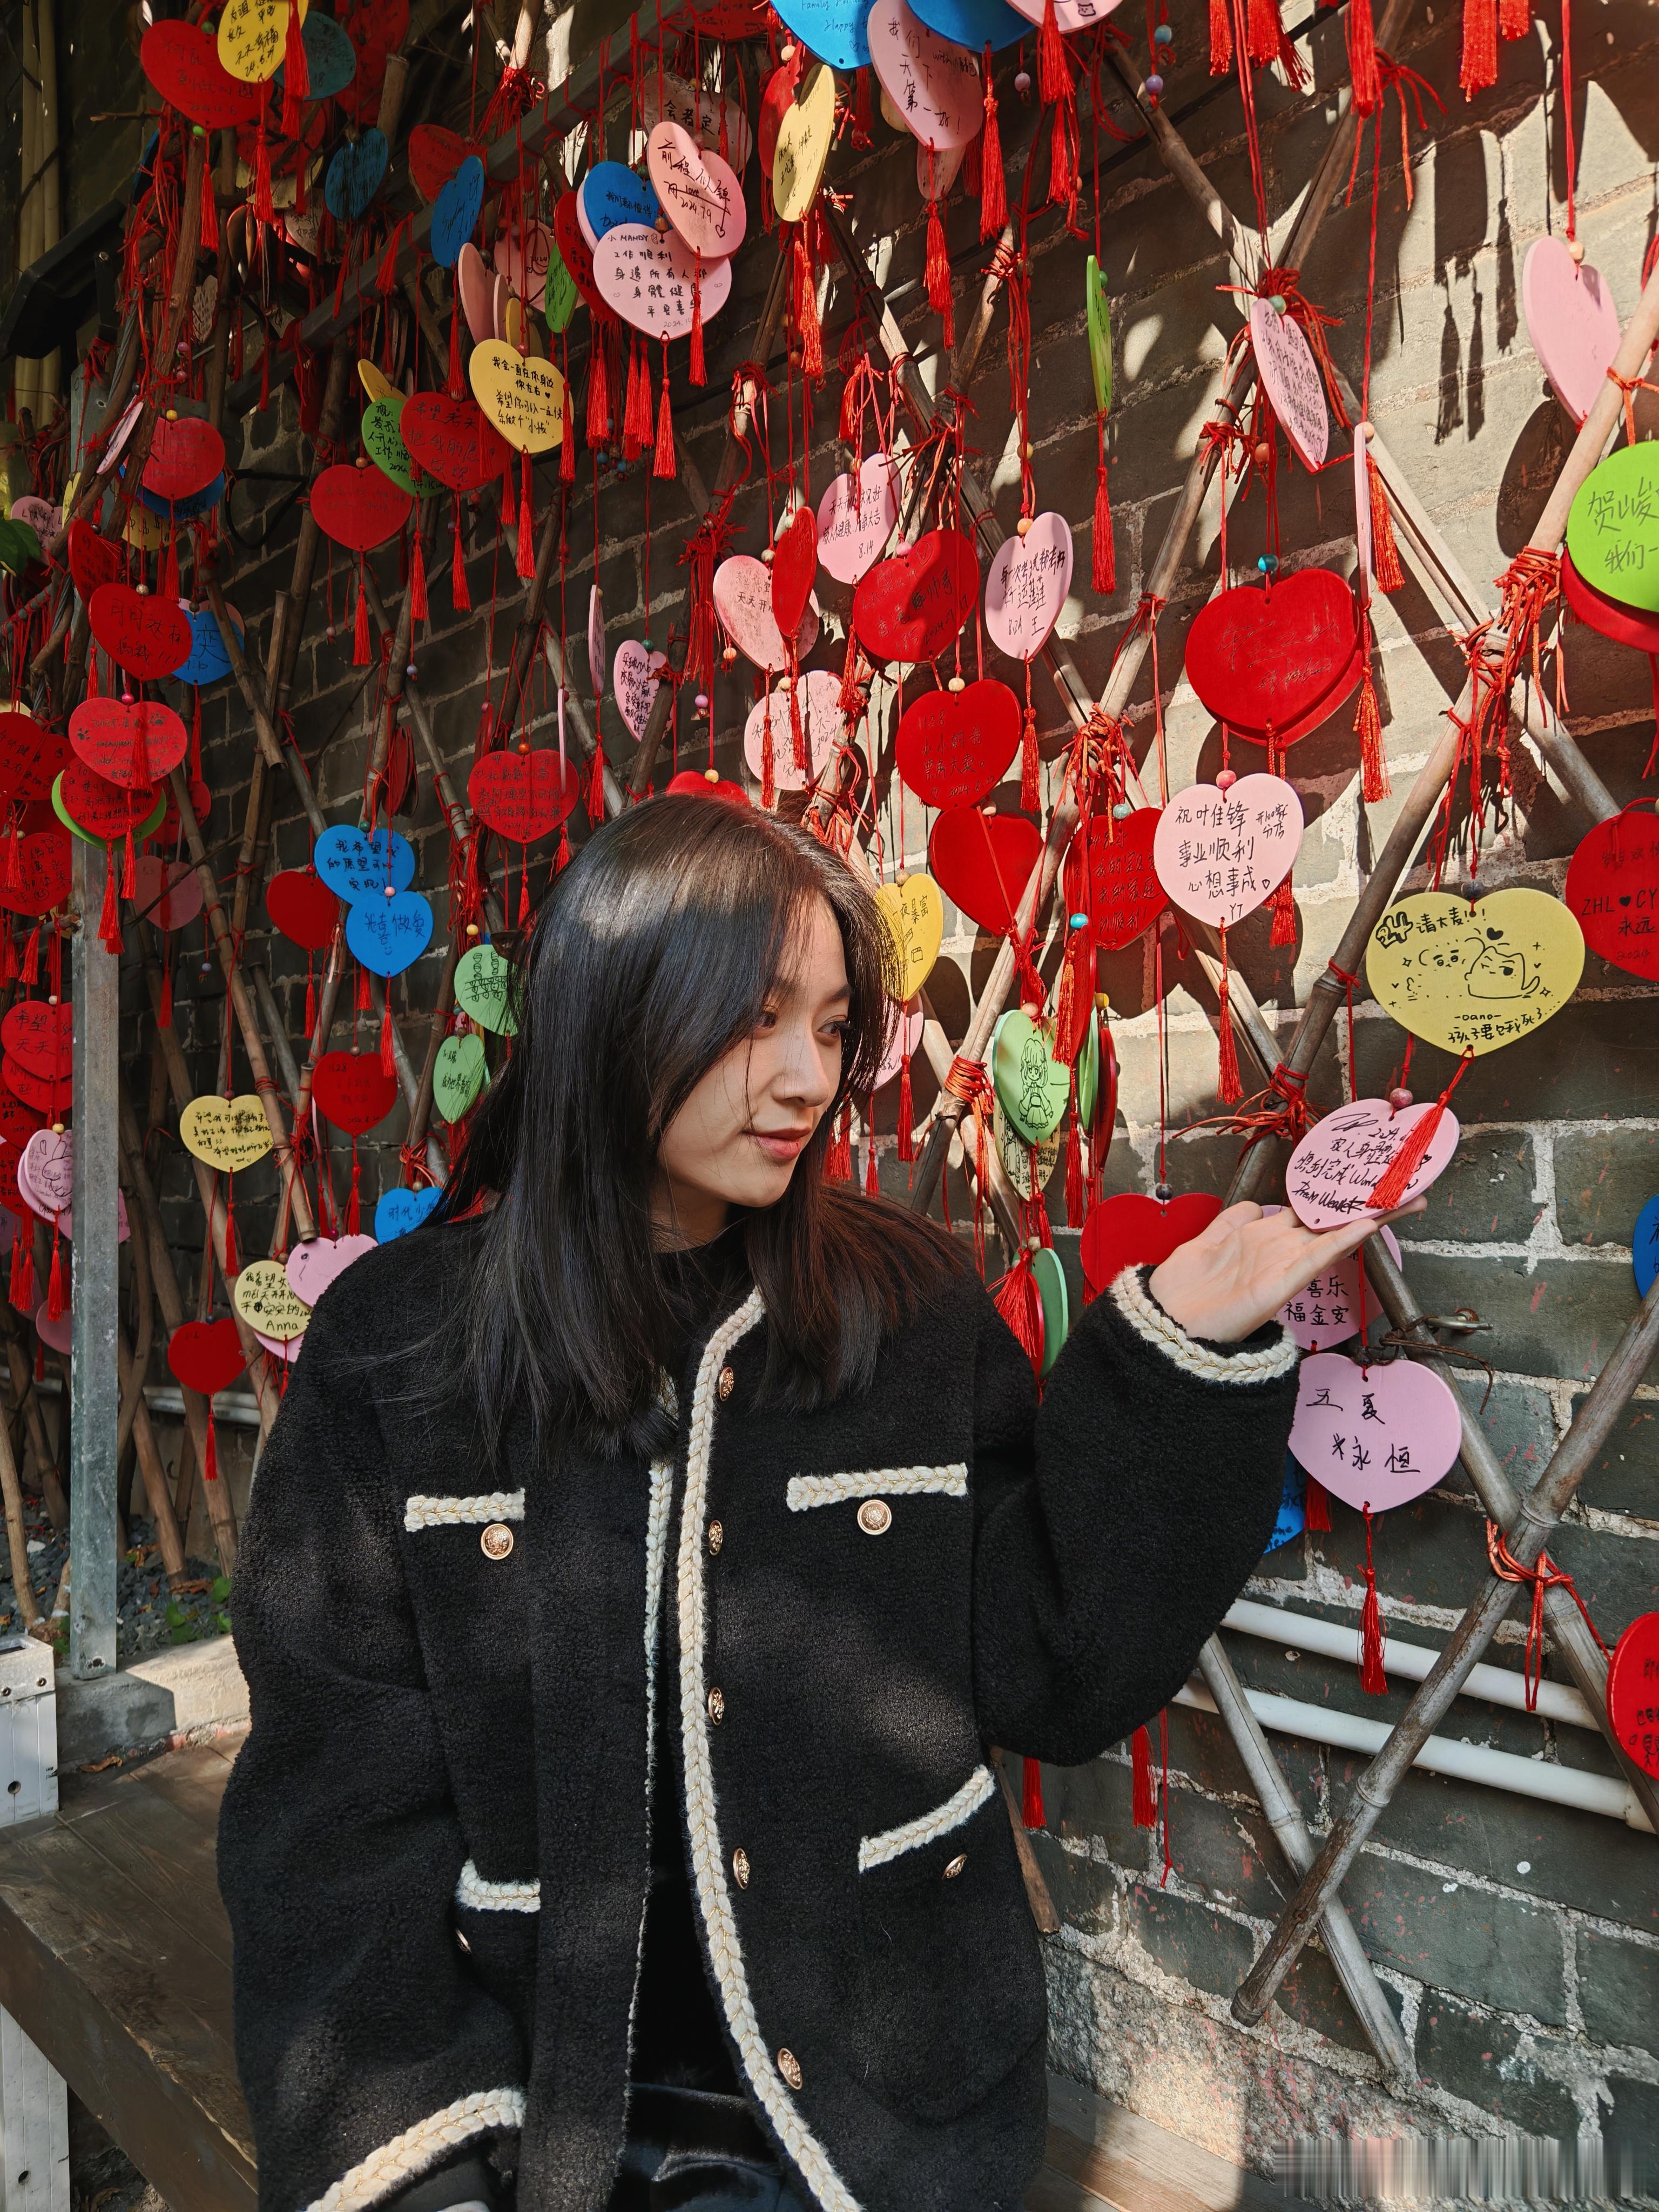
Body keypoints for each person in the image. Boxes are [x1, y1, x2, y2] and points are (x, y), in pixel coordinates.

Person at [219, 797, 1414, 2212]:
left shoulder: (902, 1311)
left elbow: (1057, 1673)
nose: (806, 1079)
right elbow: (333, 1817)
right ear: (609, 1012)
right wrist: (412, 2170)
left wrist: (1178, 1355)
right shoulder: (402, 1348)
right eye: (757, 1019)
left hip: (881, 2112)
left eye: (836, 1029)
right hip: (539, 2102)